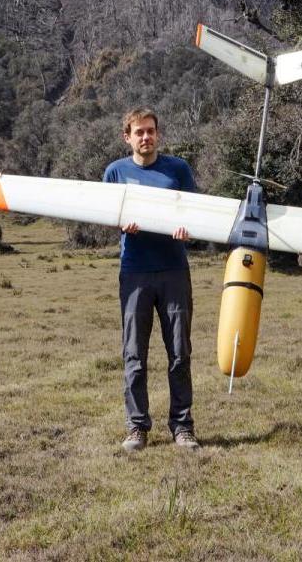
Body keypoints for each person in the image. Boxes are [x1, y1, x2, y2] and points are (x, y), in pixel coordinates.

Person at [102, 107, 199, 452]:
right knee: (134, 354)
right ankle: (137, 427)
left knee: (179, 353)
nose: (146, 137)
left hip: (174, 270)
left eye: (150, 131)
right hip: (135, 272)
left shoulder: (178, 169)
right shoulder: (115, 172)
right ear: (127, 137)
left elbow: (194, 212)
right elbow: (106, 215)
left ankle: (182, 426)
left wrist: (187, 231)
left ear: (158, 134)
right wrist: (120, 223)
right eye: (139, 132)